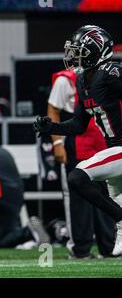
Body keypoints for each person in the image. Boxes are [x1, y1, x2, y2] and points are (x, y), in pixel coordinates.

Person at [34, 25, 122, 257]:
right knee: (114, 199)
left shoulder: (111, 72)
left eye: (80, 50)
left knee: (78, 177)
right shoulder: (83, 81)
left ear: (96, 51)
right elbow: (78, 124)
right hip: (113, 148)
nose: (73, 55)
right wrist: (51, 128)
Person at [47, 68, 115, 258]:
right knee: (78, 198)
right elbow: (53, 109)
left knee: (108, 194)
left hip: (104, 141)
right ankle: (80, 247)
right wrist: (57, 142)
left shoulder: (109, 75)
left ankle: (110, 247)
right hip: (77, 143)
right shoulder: (65, 79)